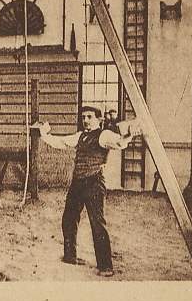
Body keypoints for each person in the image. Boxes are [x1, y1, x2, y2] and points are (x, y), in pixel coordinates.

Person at [34, 106, 138, 277]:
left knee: (97, 224)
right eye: (83, 117)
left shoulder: (103, 135)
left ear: (98, 119)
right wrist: (44, 133)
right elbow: (61, 142)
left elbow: (119, 142)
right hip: (78, 183)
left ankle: (105, 266)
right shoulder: (80, 136)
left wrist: (128, 134)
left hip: (94, 182)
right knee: (69, 218)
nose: (86, 120)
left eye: (89, 117)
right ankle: (70, 256)